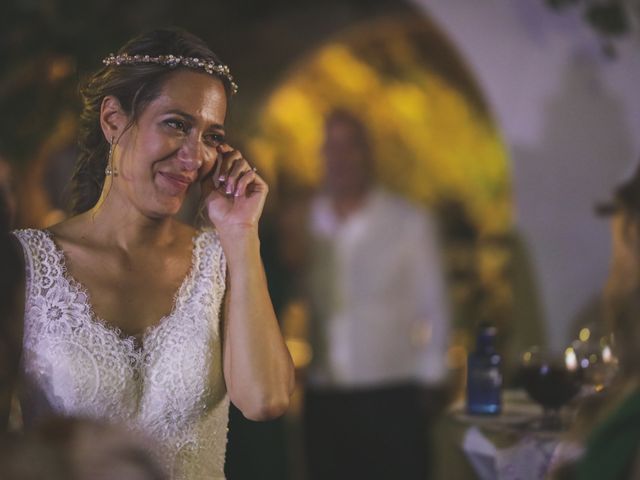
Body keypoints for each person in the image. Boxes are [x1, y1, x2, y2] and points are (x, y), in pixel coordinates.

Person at [5, 28, 294, 480]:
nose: (194, 156)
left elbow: (266, 400)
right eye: (177, 124)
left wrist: (241, 235)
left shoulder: (221, 260)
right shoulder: (24, 264)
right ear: (114, 120)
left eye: (211, 136)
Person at [302, 109, 451, 479]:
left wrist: (431, 377)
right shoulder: (308, 222)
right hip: (324, 399)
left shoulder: (408, 222)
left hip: (392, 396)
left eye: (349, 146)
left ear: (367, 153)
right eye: (330, 146)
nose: (339, 157)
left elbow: (434, 305)